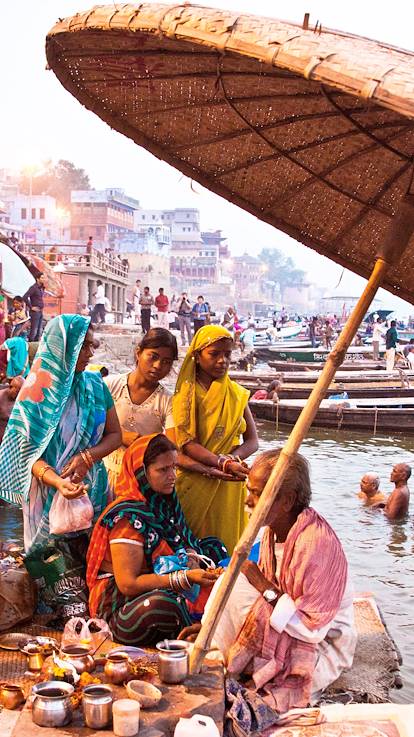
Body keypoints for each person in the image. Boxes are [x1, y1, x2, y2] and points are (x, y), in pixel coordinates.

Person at [184, 449, 355, 711]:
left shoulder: (316, 544)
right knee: (231, 581)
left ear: (287, 501)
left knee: (237, 586)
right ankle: (215, 645)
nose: (248, 500)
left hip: (320, 649)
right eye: (249, 490)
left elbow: (312, 630)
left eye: (257, 493)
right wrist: (213, 624)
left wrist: (261, 584)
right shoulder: (273, 533)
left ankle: (225, 655)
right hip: (289, 632)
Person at [0, 315, 121, 571]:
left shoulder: (96, 385)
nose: (89, 353)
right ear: (61, 347)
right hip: (47, 493)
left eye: (91, 346)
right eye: (83, 346)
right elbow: (26, 454)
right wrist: (58, 482)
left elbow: (114, 435)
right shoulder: (36, 392)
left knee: (95, 569)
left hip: (92, 490)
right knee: (55, 577)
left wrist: (87, 457)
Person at [86, 434, 227, 645]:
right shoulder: (127, 518)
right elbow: (128, 584)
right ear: (141, 473)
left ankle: (205, 621)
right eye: (163, 470)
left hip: (161, 580)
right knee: (165, 606)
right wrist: (185, 577)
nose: (172, 476)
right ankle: (205, 630)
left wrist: (190, 555)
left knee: (214, 547)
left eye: (174, 467)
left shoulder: (165, 502)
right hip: (122, 605)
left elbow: (181, 539)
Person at [172, 325, 258, 553]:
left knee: (229, 546)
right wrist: (221, 463)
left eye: (227, 355)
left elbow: (252, 441)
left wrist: (232, 458)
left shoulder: (236, 393)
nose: (223, 361)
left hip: (229, 484)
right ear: (197, 357)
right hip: (196, 479)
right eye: (214, 354)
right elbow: (187, 444)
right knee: (193, 547)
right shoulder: (186, 395)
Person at [104, 328, 177, 493]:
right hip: (104, 475)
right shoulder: (109, 385)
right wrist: (121, 435)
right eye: (153, 357)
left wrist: (144, 444)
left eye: (166, 362)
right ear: (138, 353)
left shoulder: (167, 401)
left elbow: (171, 447)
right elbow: (90, 425)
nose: (158, 366)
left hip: (140, 482)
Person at [0, 376, 25, 443]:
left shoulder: (21, 401)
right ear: (11, 387)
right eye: (17, 391)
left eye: (21, 392)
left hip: (9, 437)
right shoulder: (1, 396)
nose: (19, 395)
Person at [23, 273, 46, 342]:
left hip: (40, 311)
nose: (43, 279)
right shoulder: (33, 287)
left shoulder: (41, 288)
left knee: (39, 331)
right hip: (35, 312)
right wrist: (31, 307)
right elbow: (25, 297)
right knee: (34, 331)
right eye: (42, 278)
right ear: (37, 279)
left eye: (44, 278)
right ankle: (30, 346)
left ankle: (35, 347)